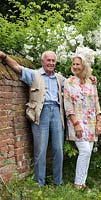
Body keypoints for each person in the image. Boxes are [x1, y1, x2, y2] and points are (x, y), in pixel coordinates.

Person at [0, 50, 65, 187]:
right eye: (48, 60)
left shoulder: (60, 78)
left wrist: (90, 79)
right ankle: (39, 183)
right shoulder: (34, 74)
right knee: (40, 149)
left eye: (53, 61)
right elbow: (17, 68)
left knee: (58, 148)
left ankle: (58, 182)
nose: (51, 63)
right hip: (40, 113)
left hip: (57, 113)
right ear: (43, 62)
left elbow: (74, 84)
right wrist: (4, 56)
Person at [64, 47, 101, 191]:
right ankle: (77, 184)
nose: (75, 67)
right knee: (85, 150)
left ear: (84, 66)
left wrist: (99, 122)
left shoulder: (91, 82)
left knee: (88, 152)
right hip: (77, 123)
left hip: (91, 123)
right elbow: (68, 105)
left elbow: (96, 102)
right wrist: (76, 124)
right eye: (73, 64)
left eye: (77, 64)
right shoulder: (69, 82)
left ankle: (82, 183)